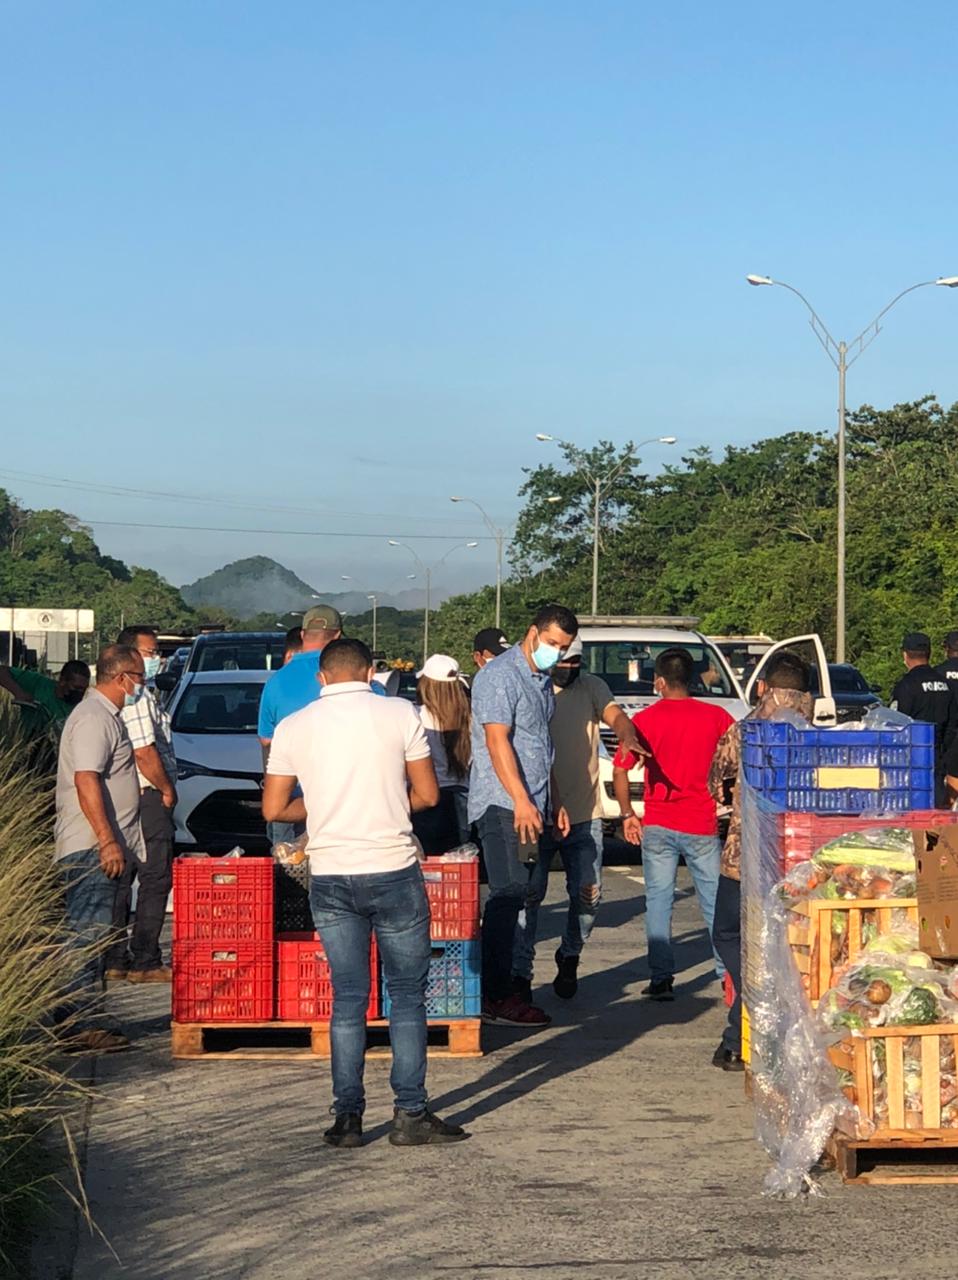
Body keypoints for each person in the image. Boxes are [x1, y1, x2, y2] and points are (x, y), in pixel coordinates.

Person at [262, 637, 466, 1149]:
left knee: (348, 997)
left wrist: (323, 808)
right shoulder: (399, 713)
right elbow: (428, 794)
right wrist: (385, 802)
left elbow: (274, 808)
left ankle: (348, 1117)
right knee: (407, 996)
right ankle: (410, 1112)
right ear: (371, 672)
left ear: (322, 678)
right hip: (393, 869)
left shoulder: (294, 726)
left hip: (332, 875)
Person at [514, 637, 644, 1000]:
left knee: (589, 895)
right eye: (563, 663)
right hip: (535, 814)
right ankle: (521, 974)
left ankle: (570, 954)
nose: (569, 669)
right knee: (529, 896)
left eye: (576, 663)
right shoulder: (531, 689)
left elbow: (616, 716)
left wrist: (627, 735)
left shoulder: (592, 687)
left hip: (585, 815)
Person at [469, 603, 579, 1026]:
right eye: (552, 643)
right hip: (504, 805)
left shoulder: (541, 681)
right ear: (532, 633)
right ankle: (494, 993)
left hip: (533, 806)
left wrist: (555, 799)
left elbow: (540, 747)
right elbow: (497, 741)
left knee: (527, 893)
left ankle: (512, 984)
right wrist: (519, 798)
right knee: (508, 891)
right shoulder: (499, 676)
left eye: (564, 647)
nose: (557, 652)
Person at [708, 651, 813, 1070]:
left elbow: (716, 784)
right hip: (802, 862)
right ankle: (749, 1033)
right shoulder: (815, 736)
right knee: (787, 946)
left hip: (744, 859)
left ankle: (745, 1021)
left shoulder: (744, 731)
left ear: (765, 687)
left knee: (729, 936)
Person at [613, 647, 734, 1001]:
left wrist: (627, 814)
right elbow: (737, 759)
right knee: (713, 903)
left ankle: (661, 978)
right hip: (701, 824)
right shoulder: (717, 717)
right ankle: (727, 974)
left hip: (658, 824)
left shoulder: (644, 721)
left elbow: (620, 770)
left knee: (659, 900)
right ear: (692, 679)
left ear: (660, 682)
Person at [54, 645, 147, 1053]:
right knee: (86, 935)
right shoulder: (94, 718)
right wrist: (107, 840)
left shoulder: (106, 717)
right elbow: (86, 779)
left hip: (100, 846)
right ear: (121, 677)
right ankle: (78, 1023)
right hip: (91, 848)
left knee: (93, 935)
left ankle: (80, 1015)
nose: (142, 685)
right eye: (140, 677)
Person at [105, 626, 177, 983]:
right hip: (147, 794)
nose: (156, 659)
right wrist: (166, 789)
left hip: (129, 796)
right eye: (150, 653)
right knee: (154, 877)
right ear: (130, 656)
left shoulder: (139, 695)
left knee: (124, 878)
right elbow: (144, 751)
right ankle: (145, 959)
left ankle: (115, 957)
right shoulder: (136, 699)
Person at [258, 605, 343, 845]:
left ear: (303, 635)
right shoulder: (348, 675)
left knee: (290, 860)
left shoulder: (275, 681)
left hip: (290, 796)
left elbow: (266, 740)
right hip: (342, 795)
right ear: (337, 636)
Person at [412, 654, 472, 854]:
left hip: (427, 800)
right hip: (463, 800)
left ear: (426, 684)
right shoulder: (470, 717)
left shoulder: (416, 716)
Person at [890, 631, 957, 806]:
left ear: (905, 655)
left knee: (915, 806)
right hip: (937, 756)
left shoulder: (905, 685)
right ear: (929, 653)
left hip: (913, 759)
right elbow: (952, 725)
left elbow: (896, 724)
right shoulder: (946, 684)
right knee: (937, 804)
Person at [0, 659, 90, 736]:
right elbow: (2, 671)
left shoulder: (85, 705)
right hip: (30, 741)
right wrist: (19, 692)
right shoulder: (39, 684)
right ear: (62, 681)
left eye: (84, 689)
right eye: (76, 688)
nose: (80, 692)